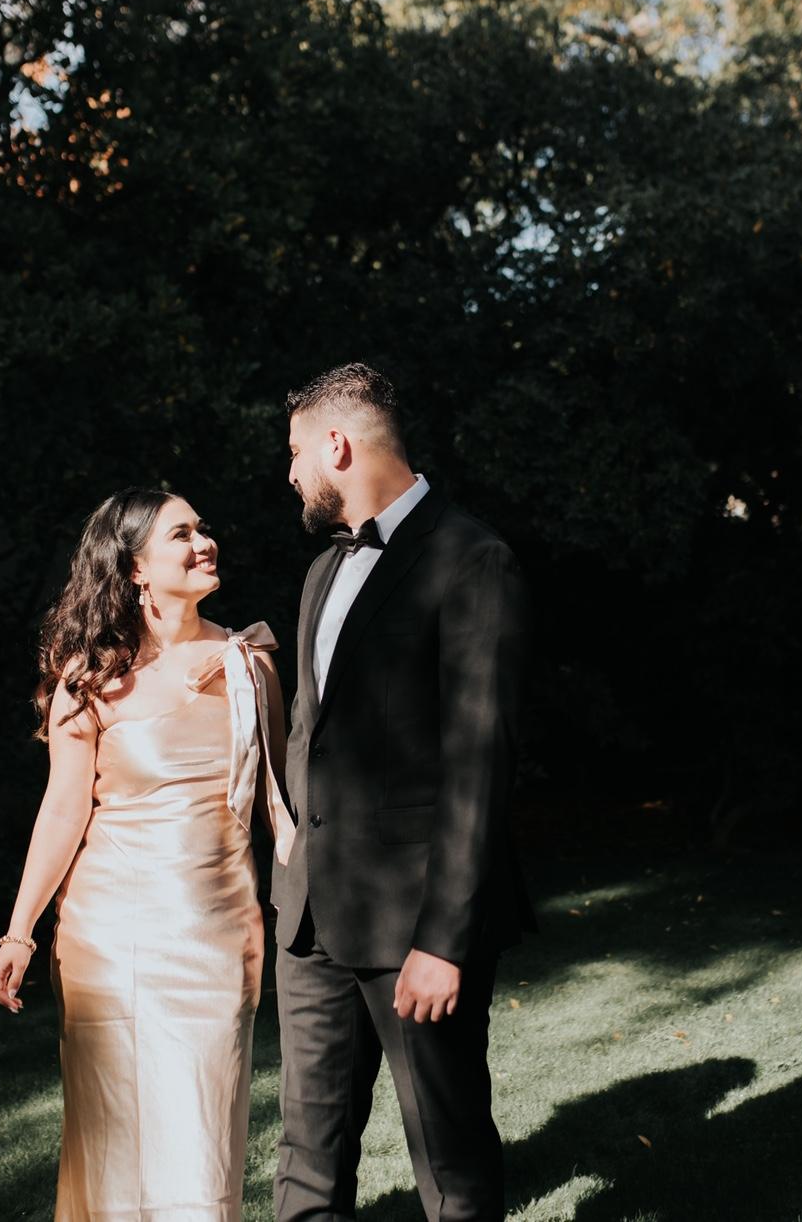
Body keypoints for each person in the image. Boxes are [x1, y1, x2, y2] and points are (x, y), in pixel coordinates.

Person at [0, 486, 294, 1222]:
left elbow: (283, 801)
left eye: (202, 528)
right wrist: (19, 933)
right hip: (110, 937)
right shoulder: (90, 674)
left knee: (203, 1128)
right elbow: (64, 808)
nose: (204, 542)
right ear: (134, 569)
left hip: (219, 933)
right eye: (181, 534)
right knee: (116, 1136)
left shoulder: (248, 662)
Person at [272, 363, 533, 1221]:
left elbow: (479, 762)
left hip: (414, 925)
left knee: (450, 1164)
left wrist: (444, 941)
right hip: (311, 921)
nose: (291, 474)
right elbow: (310, 732)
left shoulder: (472, 559)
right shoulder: (322, 571)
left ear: (337, 445)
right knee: (306, 1155)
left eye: (296, 453)